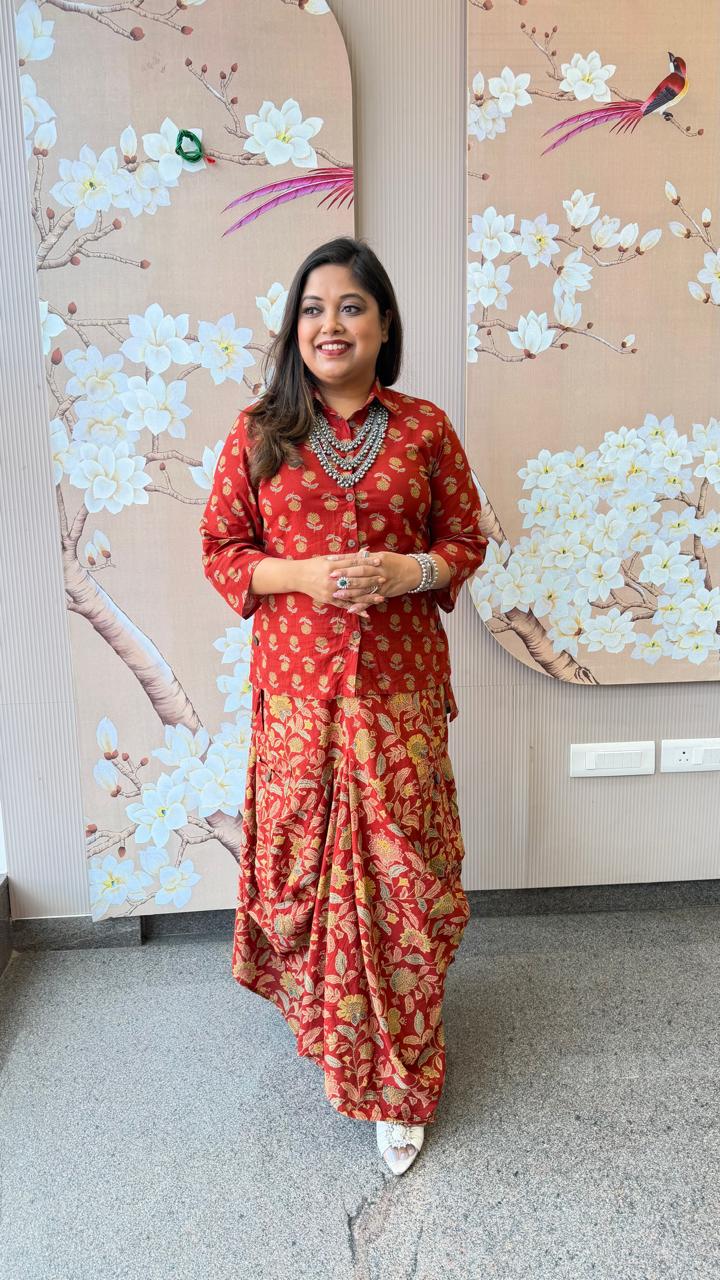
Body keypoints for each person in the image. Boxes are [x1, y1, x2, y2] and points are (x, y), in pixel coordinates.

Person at [198, 235, 488, 1176]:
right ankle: (335, 1034)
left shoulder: (426, 429)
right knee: (306, 885)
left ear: (384, 323)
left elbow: (464, 538)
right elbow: (222, 551)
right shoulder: (257, 433)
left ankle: (398, 1081)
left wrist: (413, 569)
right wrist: (306, 576)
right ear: (295, 328)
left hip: (399, 700)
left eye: (352, 306)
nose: (331, 323)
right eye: (314, 308)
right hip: (297, 701)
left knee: (402, 889)